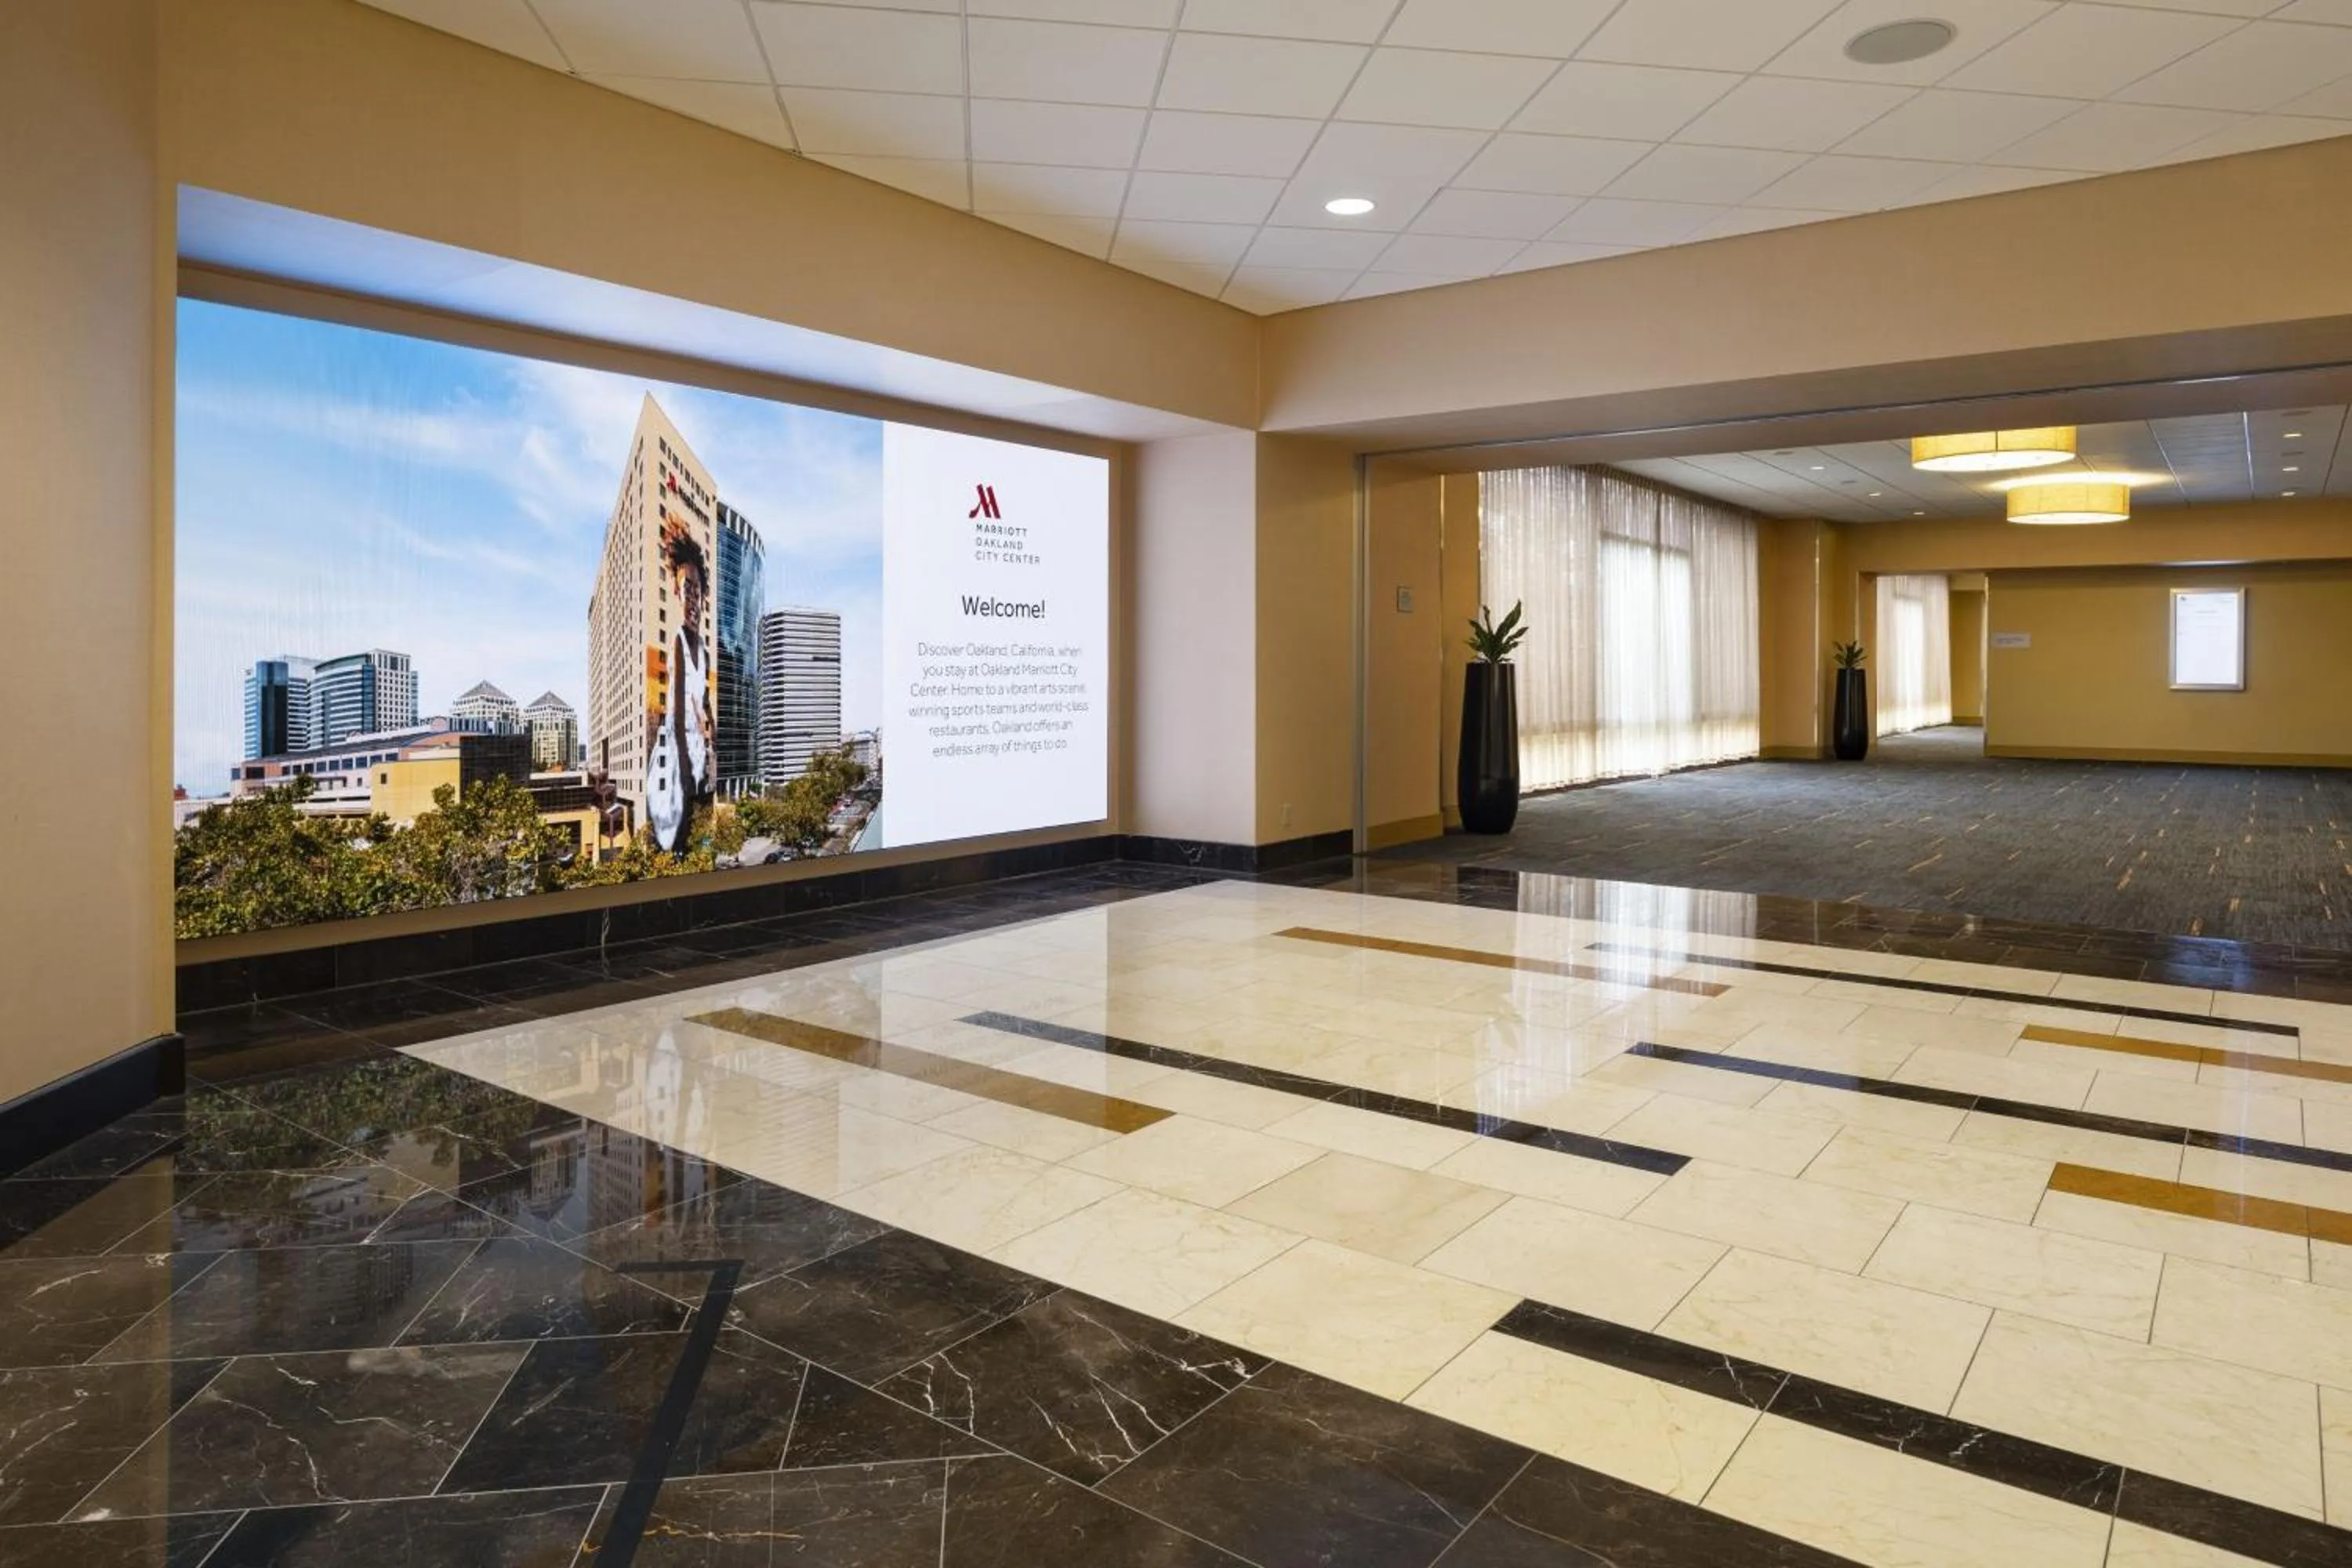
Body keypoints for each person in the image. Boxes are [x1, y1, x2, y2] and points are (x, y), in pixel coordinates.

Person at [645, 521, 715, 855]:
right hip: (676, 759)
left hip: (698, 757)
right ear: (675, 590)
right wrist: (686, 773)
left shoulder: (704, 650)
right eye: (687, 588)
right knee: (674, 837)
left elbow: (706, 704)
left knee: (699, 840)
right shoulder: (678, 641)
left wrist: (711, 744)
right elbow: (675, 714)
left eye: (697, 591)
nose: (692, 598)